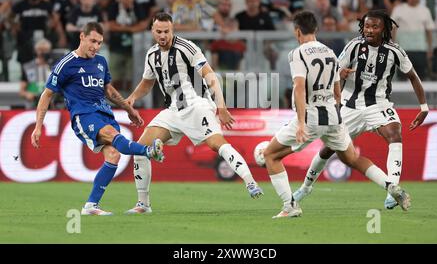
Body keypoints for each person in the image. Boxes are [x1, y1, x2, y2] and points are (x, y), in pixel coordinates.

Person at [263, 11, 411, 219]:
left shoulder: (297, 53)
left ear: (297, 31)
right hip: (334, 117)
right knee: (352, 158)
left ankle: (290, 206)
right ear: (315, 29)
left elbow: (299, 88)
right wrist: (338, 109)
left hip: (312, 117)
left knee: (270, 155)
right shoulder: (330, 52)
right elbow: (336, 88)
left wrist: (301, 124)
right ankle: (390, 185)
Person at [125, 12, 263, 214]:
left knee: (217, 145)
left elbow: (210, 76)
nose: (163, 35)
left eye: (167, 31)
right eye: (159, 31)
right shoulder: (151, 55)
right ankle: (143, 204)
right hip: (172, 111)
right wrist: (132, 98)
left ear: (172, 30)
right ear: (152, 31)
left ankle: (250, 182)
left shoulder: (187, 47)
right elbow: (147, 82)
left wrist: (221, 106)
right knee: (140, 150)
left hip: (196, 106)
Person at [293, 10, 428, 210]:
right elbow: (332, 72)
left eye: (375, 27)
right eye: (366, 26)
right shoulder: (354, 46)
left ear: (384, 29)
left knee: (394, 133)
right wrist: (341, 72)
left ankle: (393, 189)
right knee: (329, 148)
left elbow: (413, 77)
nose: (369, 30)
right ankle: (305, 187)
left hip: (378, 104)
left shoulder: (395, 51)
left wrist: (423, 107)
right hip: (350, 105)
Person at [31, 22, 161, 216]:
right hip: (83, 115)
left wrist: (128, 109)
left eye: (99, 43)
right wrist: (38, 126)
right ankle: (149, 151)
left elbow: (108, 90)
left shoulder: (100, 61)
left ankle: (90, 206)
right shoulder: (66, 64)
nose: (96, 46)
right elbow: (46, 95)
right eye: (92, 41)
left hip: (103, 112)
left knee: (113, 155)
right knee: (112, 134)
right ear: (82, 37)